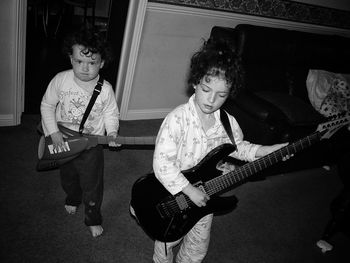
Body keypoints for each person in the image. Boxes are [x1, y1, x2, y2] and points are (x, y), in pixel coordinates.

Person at [152, 38, 290, 262]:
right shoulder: (176, 119)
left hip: (207, 192)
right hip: (174, 193)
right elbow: (162, 165)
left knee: (197, 246)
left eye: (222, 95)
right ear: (195, 83)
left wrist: (264, 150)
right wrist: (188, 190)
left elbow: (238, 147)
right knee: (168, 239)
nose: (212, 100)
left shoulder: (227, 121)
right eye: (206, 89)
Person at [40, 27, 119, 237]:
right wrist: (53, 132)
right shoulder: (60, 80)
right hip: (63, 139)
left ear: (102, 63)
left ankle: (92, 218)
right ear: (70, 59)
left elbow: (111, 114)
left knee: (92, 184)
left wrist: (111, 133)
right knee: (68, 177)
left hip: (91, 144)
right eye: (79, 61)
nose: (85, 68)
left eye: (92, 63)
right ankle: (73, 197)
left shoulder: (106, 89)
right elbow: (47, 105)